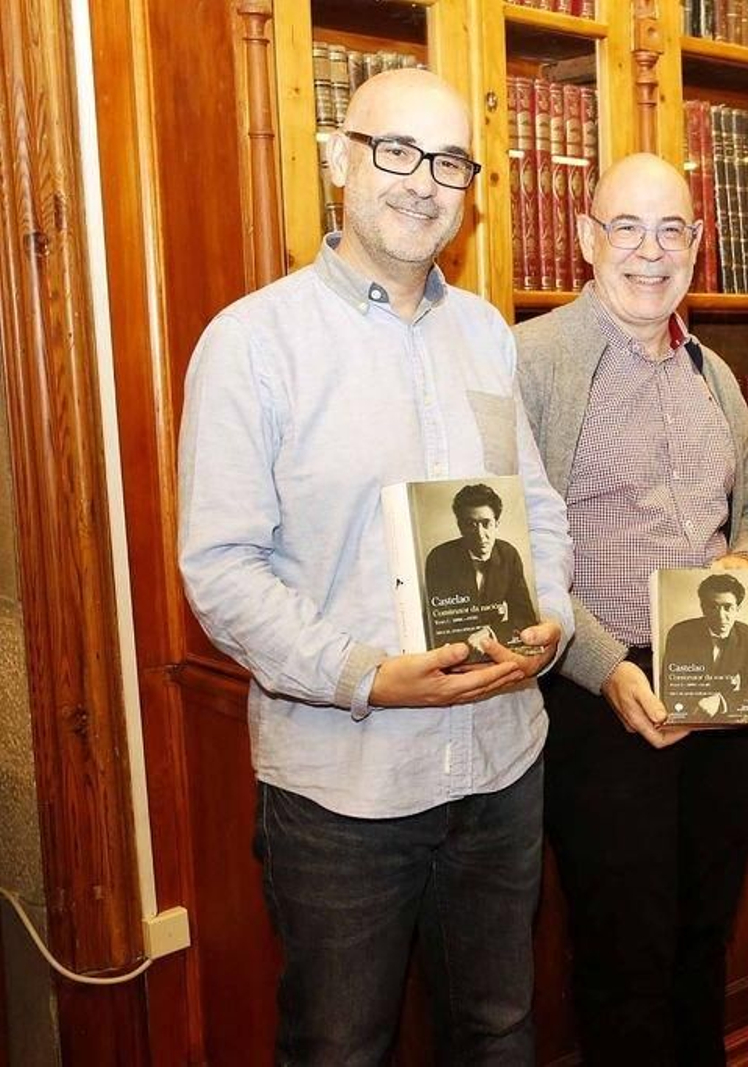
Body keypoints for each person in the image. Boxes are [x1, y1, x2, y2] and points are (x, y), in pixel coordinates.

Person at [177, 69, 574, 1063]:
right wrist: (367, 674)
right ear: (337, 157)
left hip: (501, 761)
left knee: (499, 1032)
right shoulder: (252, 343)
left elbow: (534, 507)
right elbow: (222, 569)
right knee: (339, 1046)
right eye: (394, 151)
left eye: (447, 161)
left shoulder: (485, 332)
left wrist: (553, 615)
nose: (421, 182)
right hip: (344, 789)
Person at [514, 152, 748, 1066]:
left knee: (704, 937)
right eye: (626, 226)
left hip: (720, 681)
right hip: (598, 692)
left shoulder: (718, 375)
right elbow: (517, 550)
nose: (649, 251)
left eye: (671, 230)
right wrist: (605, 666)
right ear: (587, 238)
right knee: (624, 957)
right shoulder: (535, 363)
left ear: (699, 245)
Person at [424, 481, 538, 644]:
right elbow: (439, 624)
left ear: (497, 524)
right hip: (453, 649)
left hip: (495, 643)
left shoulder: (508, 554)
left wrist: (492, 632)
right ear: (460, 527)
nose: (480, 535)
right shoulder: (439, 558)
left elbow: (525, 618)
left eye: (486, 524)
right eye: (471, 525)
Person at [658, 571, 748, 720]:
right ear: (703, 607)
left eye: (728, 607)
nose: (721, 617)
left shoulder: (747, 636)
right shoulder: (680, 633)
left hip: (726, 714)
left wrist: (721, 701)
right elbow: (671, 690)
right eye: (713, 607)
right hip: (687, 714)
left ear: (738, 608)